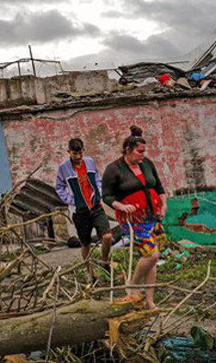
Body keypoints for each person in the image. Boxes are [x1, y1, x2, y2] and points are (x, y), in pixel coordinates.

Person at [102, 126, 167, 309]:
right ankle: (132, 285)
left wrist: (164, 204)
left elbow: (159, 187)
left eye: (144, 151)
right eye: (139, 152)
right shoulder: (114, 169)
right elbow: (106, 196)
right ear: (128, 150)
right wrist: (121, 206)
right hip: (133, 220)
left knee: (154, 258)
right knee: (151, 254)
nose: (143, 155)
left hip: (153, 217)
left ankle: (149, 301)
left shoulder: (147, 164)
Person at [55, 137, 112, 279]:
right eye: (75, 154)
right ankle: (90, 273)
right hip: (79, 212)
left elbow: (97, 178)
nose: (78, 156)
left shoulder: (90, 162)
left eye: (80, 153)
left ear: (83, 151)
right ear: (69, 152)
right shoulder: (63, 168)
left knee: (107, 236)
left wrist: (98, 192)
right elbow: (59, 187)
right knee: (85, 244)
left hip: (96, 207)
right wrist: (71, 200)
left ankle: (104, 262)